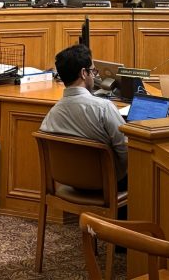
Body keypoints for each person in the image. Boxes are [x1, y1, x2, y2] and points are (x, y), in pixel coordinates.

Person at [40, 44, 127, 185]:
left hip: (69, 183)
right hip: (106, 184)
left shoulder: (52, 114)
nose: (94, 75)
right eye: (93, 71)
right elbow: (124, 151)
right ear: (84, 73)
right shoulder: (104, 108)